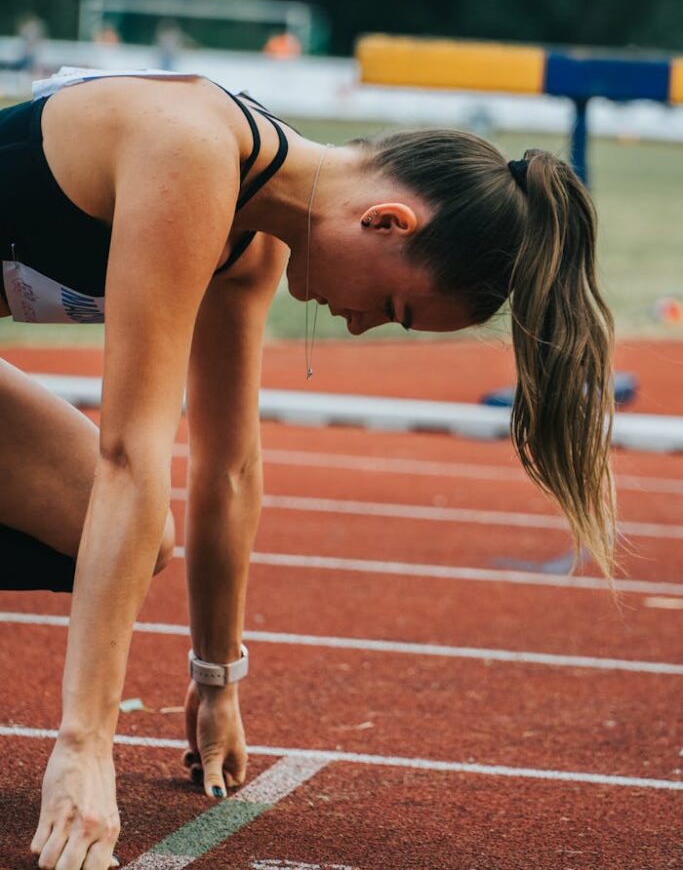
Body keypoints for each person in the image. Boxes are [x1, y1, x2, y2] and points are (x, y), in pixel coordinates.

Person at [0, 68, 616, 870]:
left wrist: (217, 676)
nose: (357, 329)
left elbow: (228, 466)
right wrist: (85, 745)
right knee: (119, 497)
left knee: (128, 536)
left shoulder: (248, 241)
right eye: (392, 309)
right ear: (388, 221)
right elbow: (130, 453)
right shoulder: (190, 151)